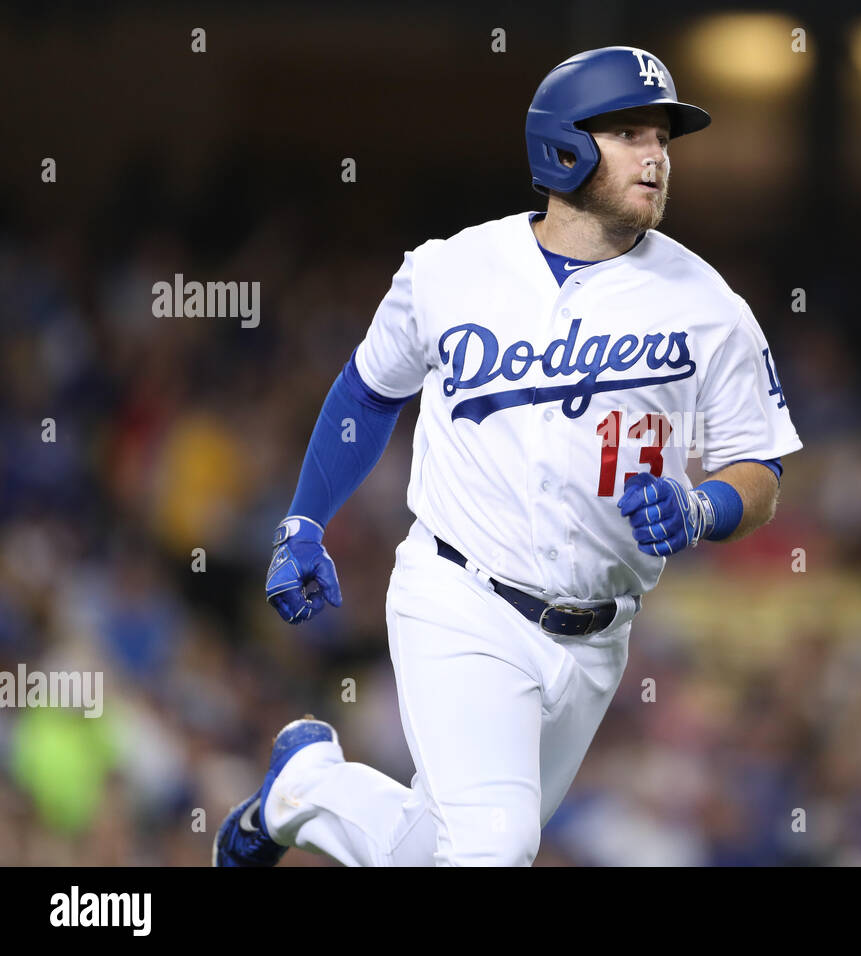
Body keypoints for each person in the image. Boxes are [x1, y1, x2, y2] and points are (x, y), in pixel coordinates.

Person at [213, 45, 802, 867]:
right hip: (462, 596)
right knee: (495, 848)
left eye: (663, 139)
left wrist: (707, 507)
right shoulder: (450, 270)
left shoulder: (710, 304)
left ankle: (307, 789)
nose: (657, 157)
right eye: (630, 134)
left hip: (596, 636)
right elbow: (368, 392)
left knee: (437, 847)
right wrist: (304, 519)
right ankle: (309, 788)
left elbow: (761, 470)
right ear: (562, 146)